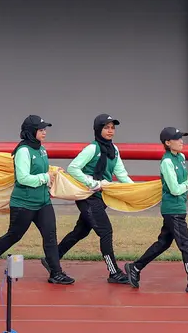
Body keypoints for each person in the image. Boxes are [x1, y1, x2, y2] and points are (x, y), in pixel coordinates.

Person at [0, 115, 72, 285]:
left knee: (50, 236)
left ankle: (56, 272)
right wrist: (45, 177)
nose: (44, 132)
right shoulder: (23, 151)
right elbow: (23, 178)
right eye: (41, 129)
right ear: (31, 131)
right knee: (14, 235)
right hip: (23, 204)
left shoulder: (41, 149)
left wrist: (53, 171)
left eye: (45, 129)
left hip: (43, 201)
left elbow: (41, 170)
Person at [124, 127, 188, 294]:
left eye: (182, 138)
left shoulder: (181, 157)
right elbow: (174, 189)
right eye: (177, 139)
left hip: (178, 208)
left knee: (163, 243)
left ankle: (135, 267)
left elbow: (181, 182)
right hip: (173, 210)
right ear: (167, 143)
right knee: (186, 245)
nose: (181, 141)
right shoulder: (167, 162)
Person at [57, 114, 133, 284]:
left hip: (101, 197)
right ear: (98, 129)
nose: (110, 131)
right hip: (87, 196)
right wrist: (91, 183)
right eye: (106, 127)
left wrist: (136, 190)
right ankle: (113, 272)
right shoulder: (92, 149)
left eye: (113, 127)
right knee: (105, 231)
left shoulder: (114, 150)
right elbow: (73, 168)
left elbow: (121, 174)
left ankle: (52, 258)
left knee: (81, 231)